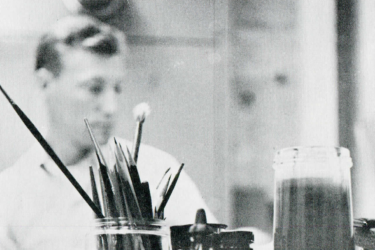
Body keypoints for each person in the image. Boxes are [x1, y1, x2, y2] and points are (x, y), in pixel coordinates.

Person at [0, 14, 216, 249]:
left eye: (117, 88)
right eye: (94, 88)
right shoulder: (10, 194)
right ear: (44, 83)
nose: (111, 107)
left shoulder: (154, 171)